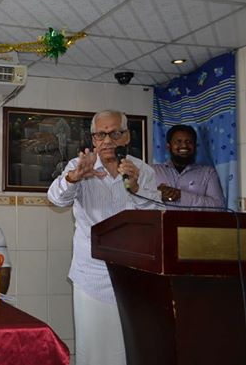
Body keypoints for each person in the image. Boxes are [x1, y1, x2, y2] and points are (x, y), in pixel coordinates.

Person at [47, 110, 159, 365]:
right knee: (94, 347)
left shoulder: (142, 170)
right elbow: (55, 199)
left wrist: (136, 187)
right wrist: (73, 178)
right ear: (93, 139)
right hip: (92, 273)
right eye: (101, 135)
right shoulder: (80, 166)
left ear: (127, 136)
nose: (108, 140)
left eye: (115, 133)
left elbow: (154, 215)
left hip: (132, 273)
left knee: (130, 345)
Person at [153, 124, 225, 209]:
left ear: (195, 146)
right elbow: (140, 201)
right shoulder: (153, 171)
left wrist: (181, 196)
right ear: (168, 146)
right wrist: (157, 195)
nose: (184, 146)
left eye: (189, 142)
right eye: (178, 141)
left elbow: (219, 207)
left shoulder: (208, 173)